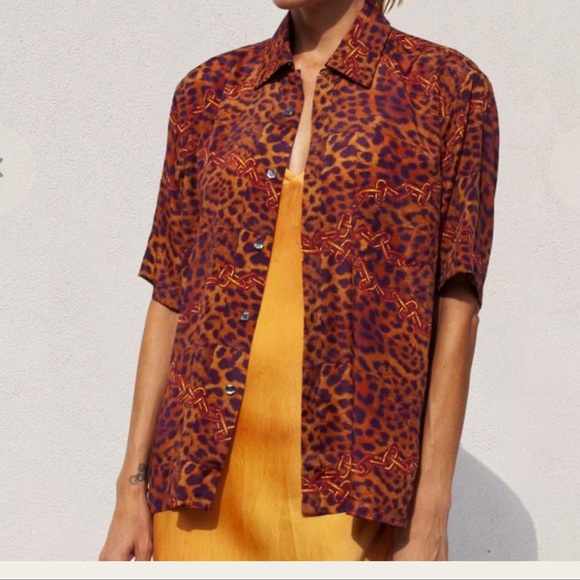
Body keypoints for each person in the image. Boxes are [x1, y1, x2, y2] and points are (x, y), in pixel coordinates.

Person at [100, 0, 500, 561]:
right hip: (199, 479)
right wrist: (131, 488)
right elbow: (170, 293)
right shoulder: (210, 91)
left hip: (354, 487)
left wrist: (432, 510)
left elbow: (457, 302)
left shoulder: (446, 89)